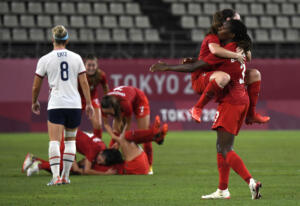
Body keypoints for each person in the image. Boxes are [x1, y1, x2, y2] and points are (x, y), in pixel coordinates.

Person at [150, 20, 262, 200]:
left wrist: (168, 67)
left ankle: (251, 182)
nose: (220, 29)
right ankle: (222, 190)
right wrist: (196, 60)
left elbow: (196, 67)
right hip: (241, 100)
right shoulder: (238, 48)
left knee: (225, 149)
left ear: (232, 34)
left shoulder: (224, 51)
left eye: (224, 28)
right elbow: (210, 63)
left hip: (231, 103)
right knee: (221, 147)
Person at [31, 25, 94, 186]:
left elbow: (36, 86)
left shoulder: (45, 59)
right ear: (67, 40)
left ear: (53, 40)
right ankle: (65, 176)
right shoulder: (77, 58)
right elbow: (84, 83)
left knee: (54, 141)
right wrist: (88, 103)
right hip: (74, 104)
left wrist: (34, 101)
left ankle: (55, 177)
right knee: (70, 141)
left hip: (57, 104)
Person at [183, 9, 270, 125]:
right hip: (205, 77)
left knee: (255, 74)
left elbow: (248, 57)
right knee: (223, 77)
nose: (240, 22)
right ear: (229, 20)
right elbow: (215, 50)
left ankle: (251, 115)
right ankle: (197, 108)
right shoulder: (214, 35)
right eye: (238, 19)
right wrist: (235, 54)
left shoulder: (239, 37)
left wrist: (243, 49)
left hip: (225, 76)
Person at [23, 116, 168, 176]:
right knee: (69, 168)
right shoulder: (95, 152)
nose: (98, 161)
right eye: (100, 159)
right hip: (68, 139)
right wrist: (104, 173)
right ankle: (37, 164)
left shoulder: (102, 150)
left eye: (100, 161)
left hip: (72, 138)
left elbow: (113, 147)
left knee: (69, 169)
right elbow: (85, 170)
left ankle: (36, 161)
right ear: (103, 155)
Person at [100, 86, 155, 174]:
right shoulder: (104, 104)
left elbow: (127, 126)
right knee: (116, 131)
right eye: (106, 113)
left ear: (114, 108)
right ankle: (113, 165)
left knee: (145, 135)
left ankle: (149, 165)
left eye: (110, 113)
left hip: (139, 100)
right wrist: (115, 137)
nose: (109, 115)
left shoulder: (125, 104)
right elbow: (106, 124)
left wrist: (119, 142)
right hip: (122, 102)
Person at [96, 118, 168, 175]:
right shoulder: (123, 138)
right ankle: (153, 135)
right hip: (142, 164)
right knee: (127, 136)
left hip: (138, 164)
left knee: (127, 136)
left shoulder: (121, 139)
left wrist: (116, 139)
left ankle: (153, 135)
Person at [78, 54, 109, 138]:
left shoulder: (101, 75)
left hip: (92, 99)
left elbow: (105, 87)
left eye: (93, 65)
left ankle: (98, 146)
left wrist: (107, 99)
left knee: (98, 125)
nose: (91, 68)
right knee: (73, 126)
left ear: (97, 65)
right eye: (89, 65)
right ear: (84, 65)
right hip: (78, 100)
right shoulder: (79, 75)